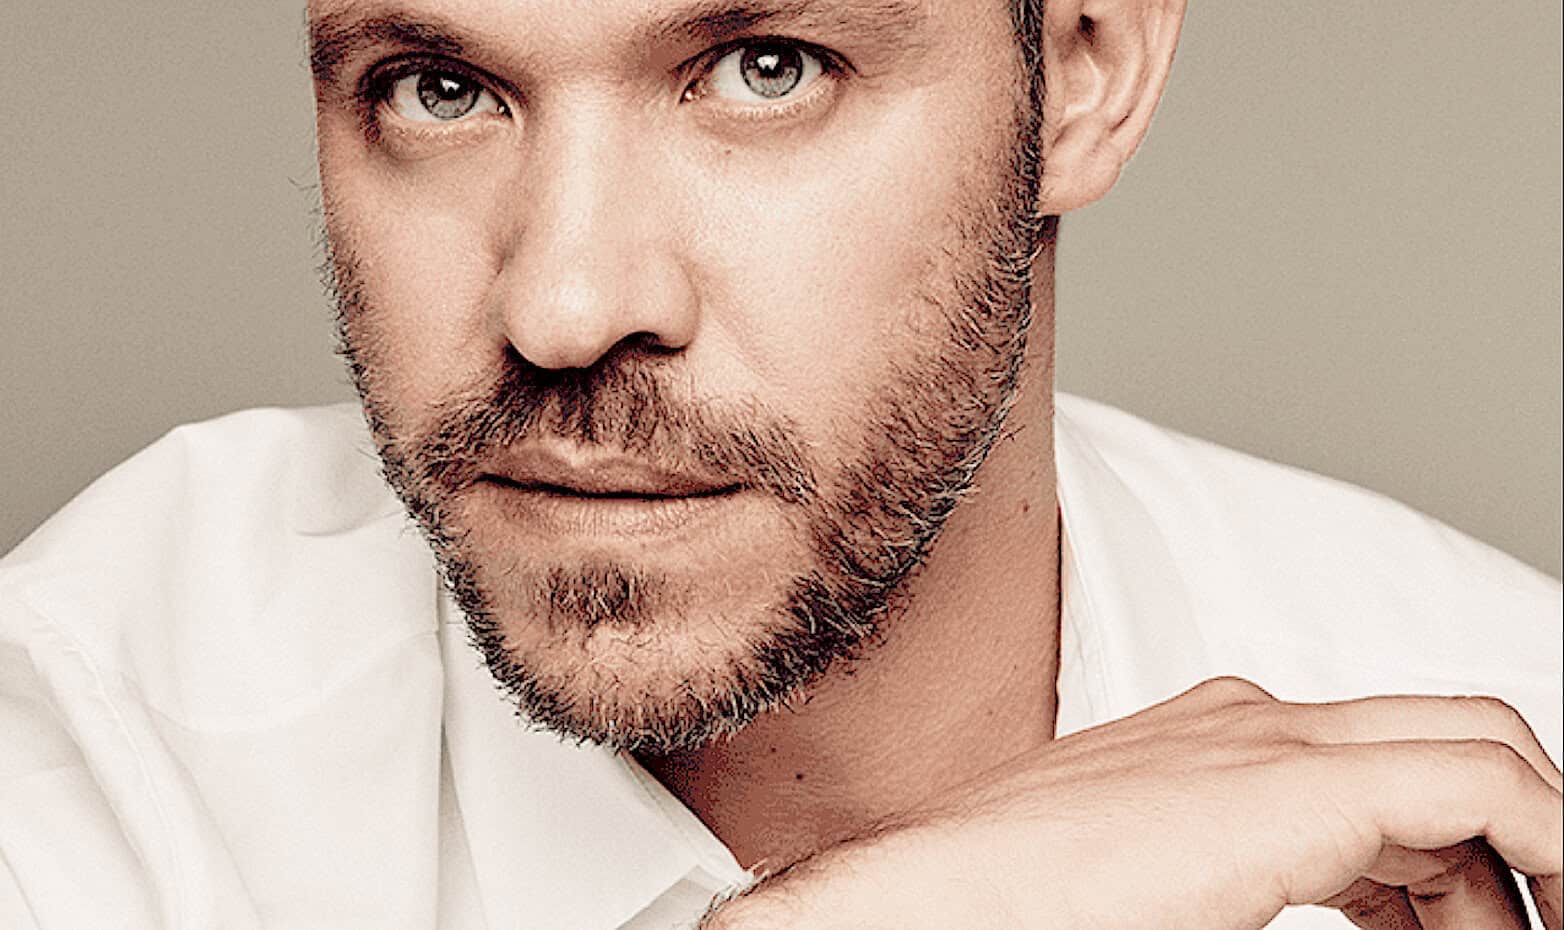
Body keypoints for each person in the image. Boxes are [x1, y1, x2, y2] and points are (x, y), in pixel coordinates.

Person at [1, 0, 1558, 927]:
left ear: (1083, 63)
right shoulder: (100, 742)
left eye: (766, 66)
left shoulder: (1513, 732)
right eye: (439, 88)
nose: (566, 303)